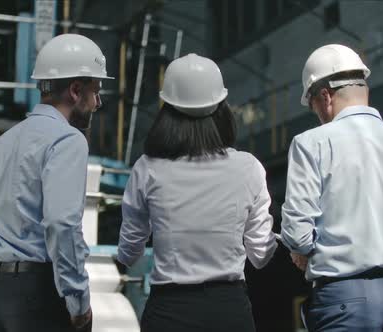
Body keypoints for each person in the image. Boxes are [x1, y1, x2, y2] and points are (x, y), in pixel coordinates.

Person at [281, 44, 383, 331]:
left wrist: (304, 251)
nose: (316, 113)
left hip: (343, 298)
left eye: (313, 105)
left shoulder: (310, 144)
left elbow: (297, 236)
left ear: (325, 97)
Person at [0, 33, 113, 332]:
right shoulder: (69, 140)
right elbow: (61, 223)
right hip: (41, 295)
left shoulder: (6, 141)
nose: (97, 103)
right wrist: (78, 302)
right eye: (96, 91)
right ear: (75, 90)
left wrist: (12, 247)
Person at [117, 53, 278, 332]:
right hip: (228, 311)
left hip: (168, 311)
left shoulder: (148, 168)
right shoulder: (248, 167)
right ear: (221, 107)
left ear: (166, 109)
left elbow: (130, 253)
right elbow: (260, 256)